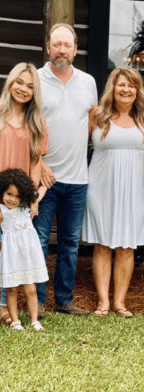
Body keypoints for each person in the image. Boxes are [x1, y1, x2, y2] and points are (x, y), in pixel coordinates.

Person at [35, 23, 99, 316]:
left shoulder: (88, 82)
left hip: (77, 179)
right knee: (39, 239)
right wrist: (38, 162)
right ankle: (36, 299)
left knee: (70, 244)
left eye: (67, 45)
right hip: (43, 178)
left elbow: (92, 125)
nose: (62, 49)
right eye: (56, 44)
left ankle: (63, 300)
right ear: (48, 47)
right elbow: (27, 127)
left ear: (75, 49)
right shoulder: (35, 80)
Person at [81, 67, 144, 318]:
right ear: (113, 87)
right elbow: (79, 147)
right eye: (121, 85)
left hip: (134, 190)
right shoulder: (97, 115)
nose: (126, 90)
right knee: (102, 244)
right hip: (100, 187)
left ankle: (120, 302)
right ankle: (103, 302)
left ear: (137, 91)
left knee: (126, 246)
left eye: (131, 86)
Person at [0, 63, 53, 326]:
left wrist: (31, 198)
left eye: (30, 86)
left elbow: (35, 161)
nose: (23, 89)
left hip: (17, 201)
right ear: (10, 82)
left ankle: (3, 308)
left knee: (8, 252)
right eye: (19, 82)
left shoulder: (36, 122)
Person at [0, 169, 49, 330]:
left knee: (31, 287)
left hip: (28, 254)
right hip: (10, 254)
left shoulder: (27, 207)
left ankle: (34, 320)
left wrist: (34, 200)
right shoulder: (1, 211)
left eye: (18, 196)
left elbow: (43, 188)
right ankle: (15, 321)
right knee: (12, 288)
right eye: (9, 194)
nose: (13, 199)